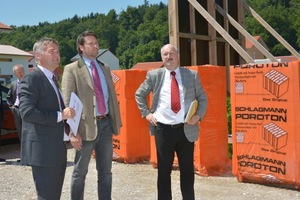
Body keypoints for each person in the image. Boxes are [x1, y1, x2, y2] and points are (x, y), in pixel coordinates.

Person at [135, 44, 208, 200]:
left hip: (185, 130)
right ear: (162, 57)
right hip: (163, 130)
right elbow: (139, 94)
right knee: (163, 172)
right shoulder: (154, 75)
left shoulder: (191, 75)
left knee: (187, 171)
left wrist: (198, 115)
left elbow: (202, 98)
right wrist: (146, 114)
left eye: (171, 53)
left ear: (178, 55)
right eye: (165, 54)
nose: (168, 57)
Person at [62, 31, 122, 200]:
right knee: (80, 172)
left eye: (96, 43)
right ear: (81, 47)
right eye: (90, 43)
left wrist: (114, 122)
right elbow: (68, 104)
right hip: (84, 128)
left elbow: (110, 97)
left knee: (106, 172)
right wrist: (73, 132)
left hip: (105, 125)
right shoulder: (71, 69)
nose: (95, 46)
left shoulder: (104, 68)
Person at [18, 37, 75, 200]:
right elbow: (27, 112)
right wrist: (61, 115)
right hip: (43, 151)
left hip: (56, 149)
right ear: (38, 56)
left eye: (58, 52)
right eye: (52, 51)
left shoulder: (52, 80)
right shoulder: (32, 79)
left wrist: (70, 130)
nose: (57, 55)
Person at [6, 64, 25, 150]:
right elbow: (8, 97)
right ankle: (24, 155)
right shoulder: (13, 84)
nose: (20, 73)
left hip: (27, 110)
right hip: (17, 110)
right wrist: (12, 108)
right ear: (15, 73)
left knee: (29, 131)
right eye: (18, 71)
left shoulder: (29, 82)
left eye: (22, 71)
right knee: (20, 132)